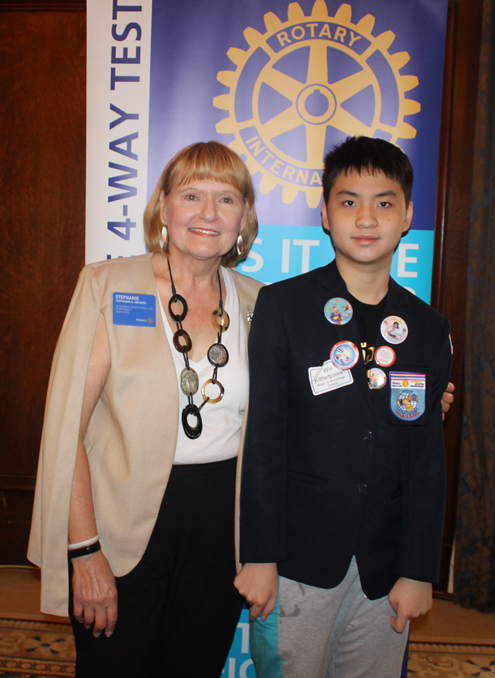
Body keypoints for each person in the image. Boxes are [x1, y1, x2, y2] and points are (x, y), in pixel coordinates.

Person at [27, 141, 262, 678]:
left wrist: (411, 398)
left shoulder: (258, 301)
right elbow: (68, 431)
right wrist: (85, 551)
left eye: (226, 199)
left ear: (244, 217)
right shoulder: (107, 286)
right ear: (164, 206)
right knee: (116, 664)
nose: (208, 213)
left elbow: (306, 405)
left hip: (222, 526)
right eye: (192, 195)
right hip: (118, 521)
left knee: (193, 665)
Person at [235, 136, 453, 678]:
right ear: (326, 213)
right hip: (297, 560)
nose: (366, 218)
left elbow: (427, 458)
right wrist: (259, 556)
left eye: (384, 202)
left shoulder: (428, 329)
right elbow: (264, 439)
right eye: (348, 201)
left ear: (406, 217)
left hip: (387, 566)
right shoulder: (283, 306)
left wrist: (420, 569)